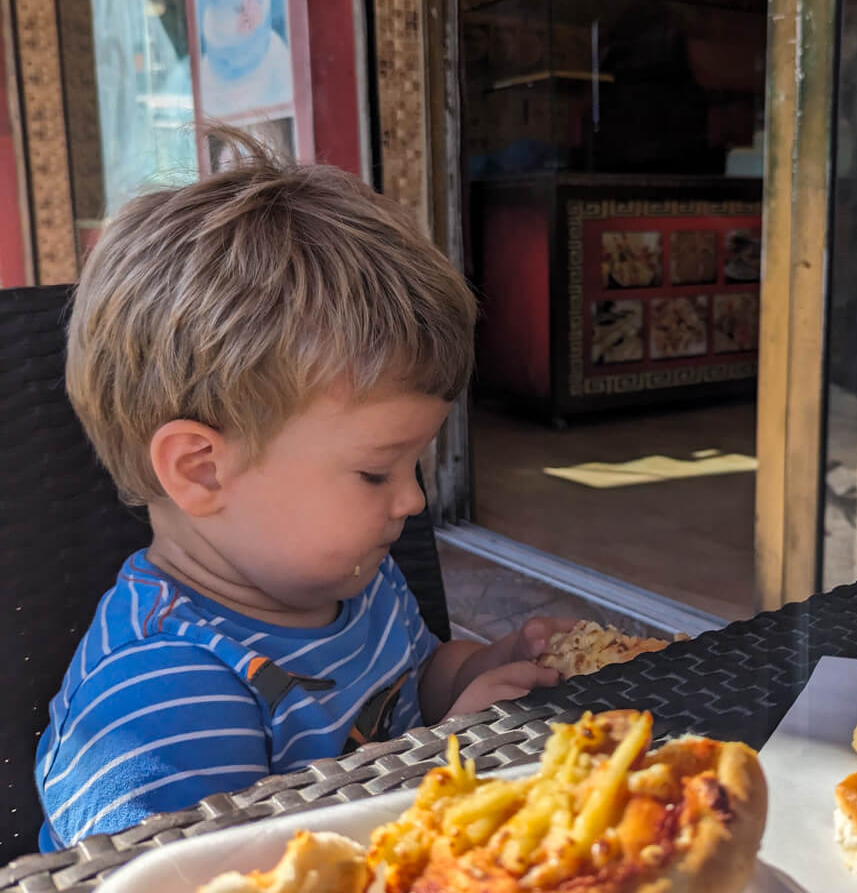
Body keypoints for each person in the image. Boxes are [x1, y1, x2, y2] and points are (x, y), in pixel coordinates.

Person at [34, 133, 561, 850]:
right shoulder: (170, 695)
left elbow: (409, 690)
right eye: (376, 471)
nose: (410, 501)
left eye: (415, 463)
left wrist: (480, 672)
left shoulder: (351, 584)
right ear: (201, 470)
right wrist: (448, 765)